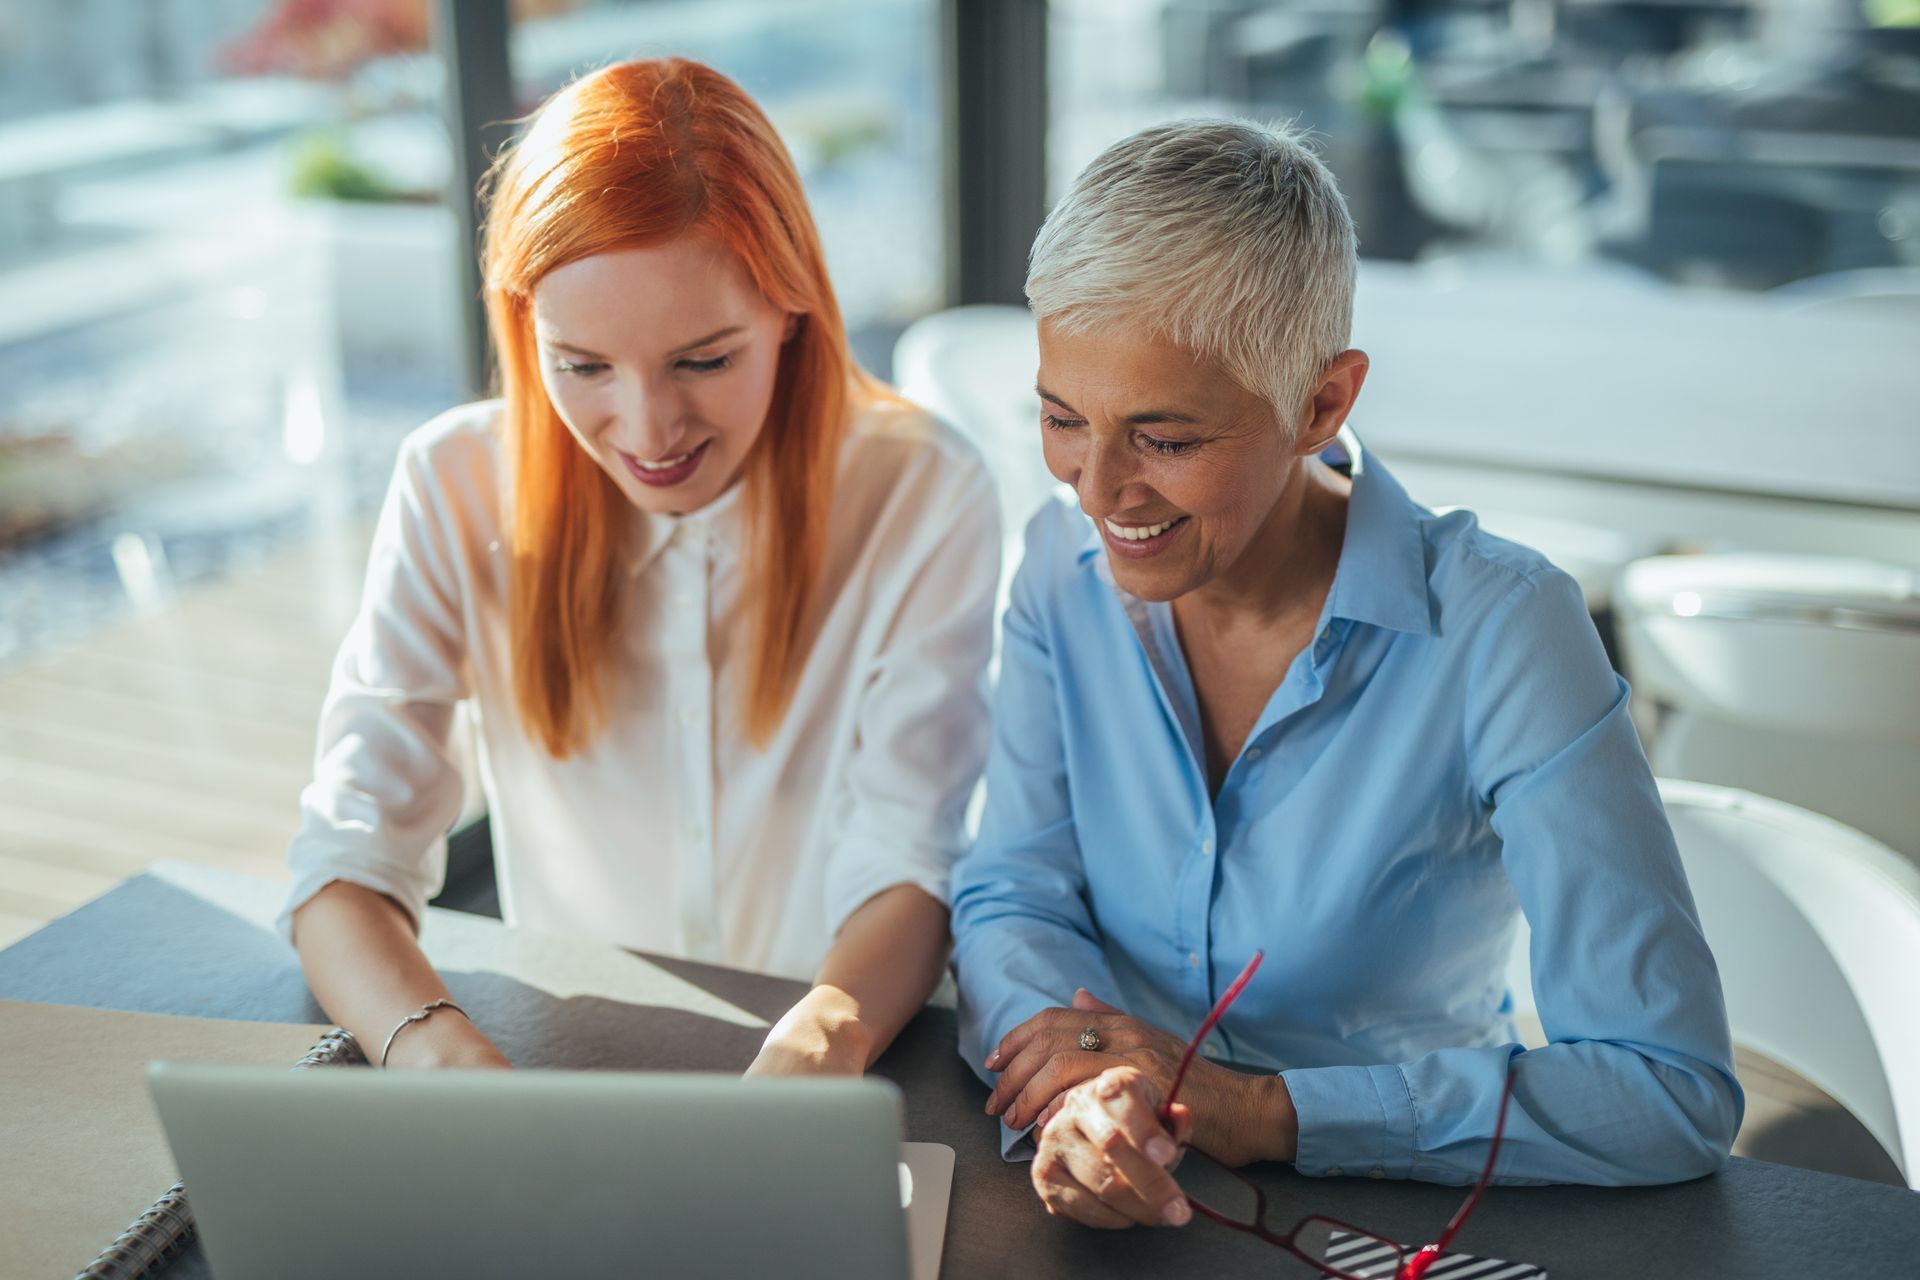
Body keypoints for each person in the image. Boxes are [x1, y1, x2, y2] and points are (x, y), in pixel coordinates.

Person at [949, 118, 1743, 1228]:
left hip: (1395, 1211)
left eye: (1166, 440)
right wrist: (1082, 1088)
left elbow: (1669, 1090)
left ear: (1321, 404)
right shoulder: (1058, 561)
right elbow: (1011, 888)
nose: (1098, 489)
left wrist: (1257, 1108)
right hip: (1113, 1183)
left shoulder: (1502, 630)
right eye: (1061, 418)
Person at [282, 57, 999, 1076]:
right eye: (582, 366)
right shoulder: (452, 483)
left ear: (790, 311)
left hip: (857, 1062)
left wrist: (815, 1047)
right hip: (575, 1064)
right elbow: (344, 861)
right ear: (524, 326)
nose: (648, 428)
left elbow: (911, 857)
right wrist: (437, 1056)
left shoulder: (921, 489)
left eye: (705, 359)